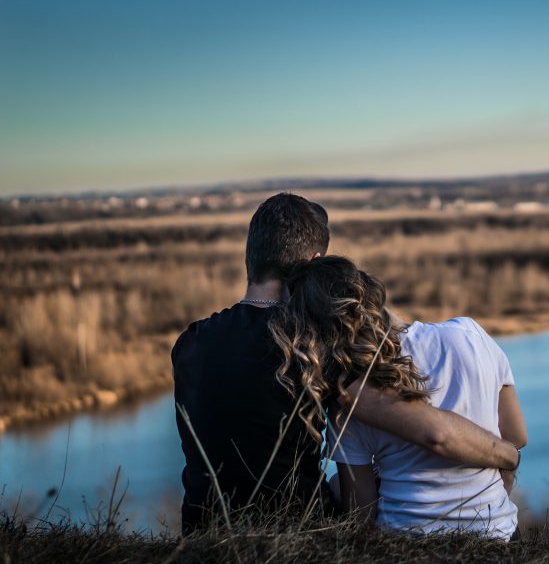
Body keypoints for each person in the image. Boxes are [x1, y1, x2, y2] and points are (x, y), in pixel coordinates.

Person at [172, 193, 520, 535]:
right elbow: (434, 432)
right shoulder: (309, 343)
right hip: (293, 530)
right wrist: (506, 454)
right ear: (314, 263)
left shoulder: (191, 341)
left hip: (202, 528)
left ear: (251, 258)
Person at [269, 255, 527, 540]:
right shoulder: (471, 335)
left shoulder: (350, 398)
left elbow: (361, 516)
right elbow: (516, 437)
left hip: (407, 542)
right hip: (498, 533)